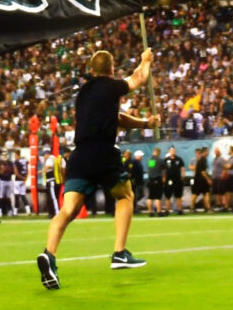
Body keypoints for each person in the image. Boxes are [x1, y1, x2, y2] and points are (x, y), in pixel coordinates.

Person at [37, 48, 158, 290]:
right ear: (111, 69)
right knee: (125, 196)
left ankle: (48, 255)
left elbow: (118, 118)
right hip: (102, 151)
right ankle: (119, 253)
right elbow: (139, 79)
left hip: (79, 155)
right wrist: (145, 60)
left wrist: (144, 123)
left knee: (68, 210)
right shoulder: (111, 86)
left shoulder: (84, 93)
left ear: (92, 70)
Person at [162, 146, 186, 215]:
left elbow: (182, 168)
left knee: (178, 196)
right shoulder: (166, 160)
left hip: (177, 180)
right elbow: (164, 170)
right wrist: (164, 178)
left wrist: (183, 176)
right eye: (171, 150)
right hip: (169, 180)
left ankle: (180, 210)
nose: (173, 152)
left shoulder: (179, 159)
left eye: (174, 150)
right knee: (168, 196)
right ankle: (167, 210)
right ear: (169, 151)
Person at [42, 150, 64, 218]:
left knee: (53, 198)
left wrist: (42, 171)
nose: (44, 157)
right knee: (54, 197)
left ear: (47, 154)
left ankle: (56, 213)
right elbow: (63, 168)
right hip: (57, 181)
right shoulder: (58, 159)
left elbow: (49, 166)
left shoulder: (50, 159)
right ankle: (52, 213)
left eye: (44, 155)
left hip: (52, 181)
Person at [190, 147, 212, 213]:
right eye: (207, 152)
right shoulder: (202, 160)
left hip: (199, 179)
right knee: (198, 193)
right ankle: (193, 207)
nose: (208, 153)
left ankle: (207, 207)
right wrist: (208, 179)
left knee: (205, 193)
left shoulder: (202, 159)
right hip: (200, 179)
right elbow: (203, 172)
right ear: (205, 152)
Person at [146, 146, 164, 216]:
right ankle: (159, 211)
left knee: (150, 196)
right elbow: (163, 170)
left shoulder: (150, 160)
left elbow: (151, 170)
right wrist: (163, 178)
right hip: (158, 179)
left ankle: (150, 212)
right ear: (158, 152)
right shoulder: (160, 160)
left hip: (151, 179)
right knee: (158, 196)